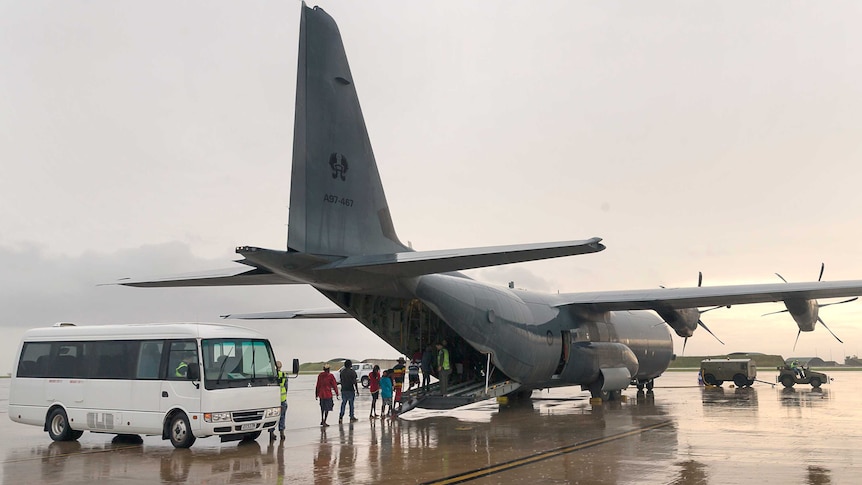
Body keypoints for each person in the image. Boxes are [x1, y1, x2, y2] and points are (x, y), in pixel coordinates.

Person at [269, 361, 288, 441]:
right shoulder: (284, 375)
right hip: (282, 398)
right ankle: (282, 433)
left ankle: (271, 433)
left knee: (272, 416)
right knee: (282, 416)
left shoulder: (271, 375)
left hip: (273, 399)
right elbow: (286, 387)